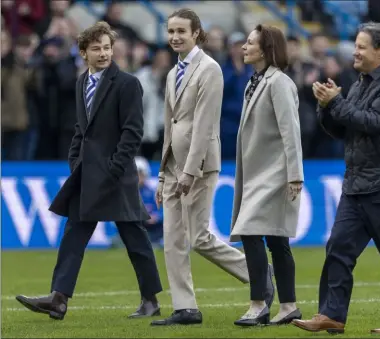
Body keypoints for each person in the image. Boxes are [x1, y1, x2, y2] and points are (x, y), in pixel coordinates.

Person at [15, 21, 163, 320]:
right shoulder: (83, 81)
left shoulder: (127, 84)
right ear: (83, 52)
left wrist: (114, 168)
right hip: (86, 173)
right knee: (73, 236)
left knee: (135, 239)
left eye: (107, 47)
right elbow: (81, 130)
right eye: (96, 48)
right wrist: (75, 160)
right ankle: (58, 299)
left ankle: (151, 300)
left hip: (116, 177)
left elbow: (132, 133)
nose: (104, 53)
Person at [292, 22, 380, 334]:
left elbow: (372, 122)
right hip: (357, 183)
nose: (355, 51)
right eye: (356, 45)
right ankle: (331, 315)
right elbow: (344, 129)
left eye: (362, 46)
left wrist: (336, 102)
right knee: (338, 248)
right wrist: (325, 108)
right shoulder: (360, 83)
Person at [151, 8, 274, 326]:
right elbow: (170, 125)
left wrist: (190, 171)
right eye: (171, 31)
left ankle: (258, 274)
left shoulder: (209, 70)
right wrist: (164, 172)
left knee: (198, 237)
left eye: (182, 31)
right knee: (172, 240)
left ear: (196, 34)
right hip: (174, 165)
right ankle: (185, 308)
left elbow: (205, 126)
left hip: (200, 166)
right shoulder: (171, 73)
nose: (175, 37)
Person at [229, 24, 304, 327]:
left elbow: (291, 131)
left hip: (275, 173)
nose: (243, 47)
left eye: (249, 43)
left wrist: (295, 175)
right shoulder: (256, 81)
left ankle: (258, 303)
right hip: (257, 172)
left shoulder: (279, 83)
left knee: (249, 231)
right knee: (277, 240)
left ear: (266, 48)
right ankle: (289, 307)